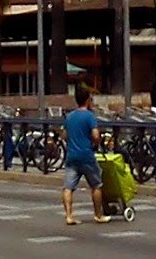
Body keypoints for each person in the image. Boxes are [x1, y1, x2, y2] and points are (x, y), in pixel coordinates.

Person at [61, 82, 110, 226]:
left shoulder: (70, 116)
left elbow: (64, 135)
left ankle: (69, 216)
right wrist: (96, 142)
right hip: (86, 156)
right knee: (96, 185)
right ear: (88, 100)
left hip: (71, 156)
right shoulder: (89, 117)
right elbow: (95, 135)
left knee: (68, 187)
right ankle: (98, 214)